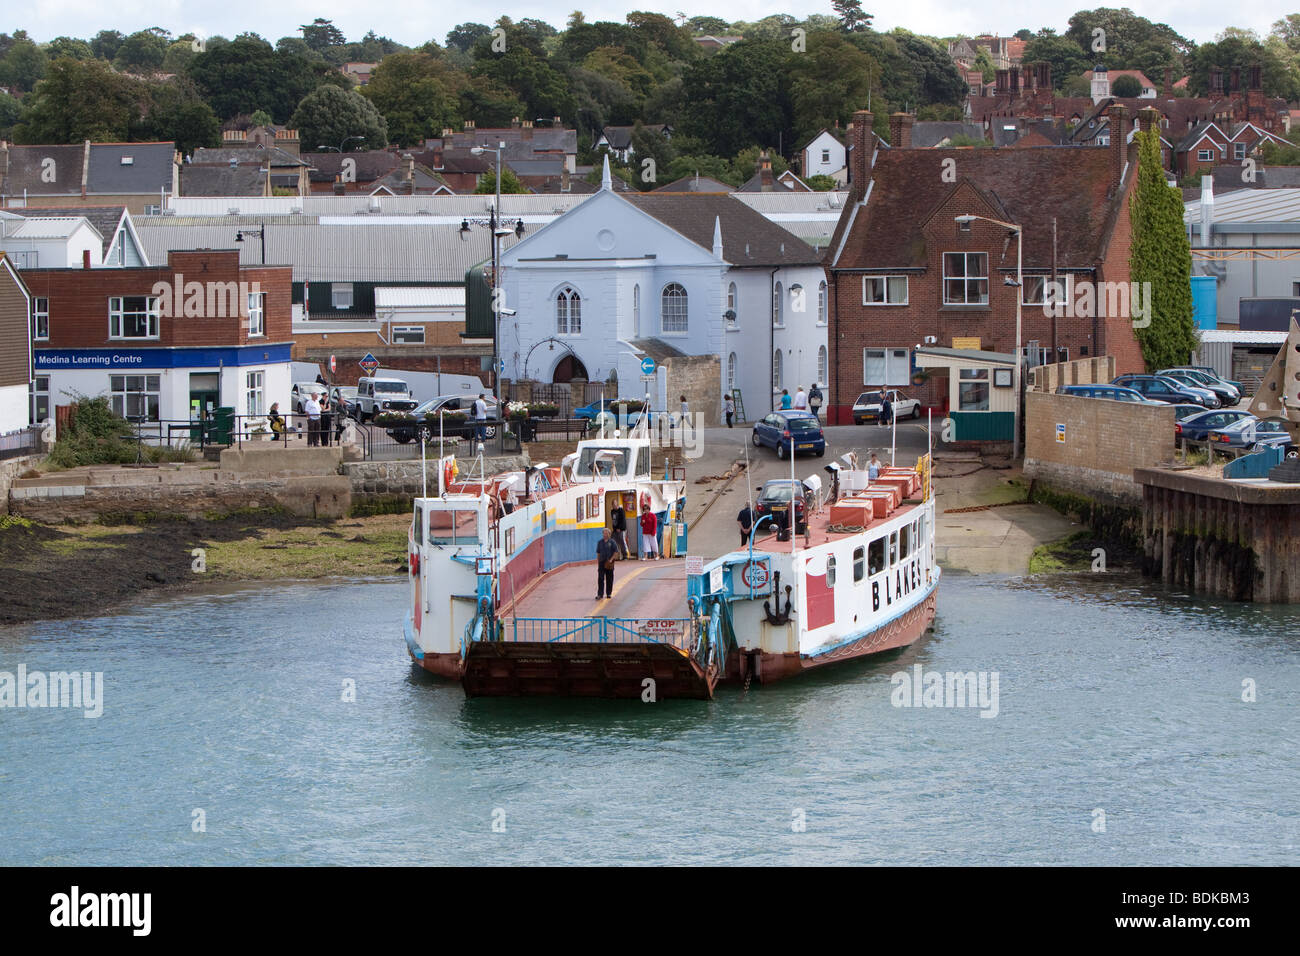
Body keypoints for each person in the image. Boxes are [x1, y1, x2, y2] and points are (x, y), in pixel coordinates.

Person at [596, 527, 619, 600]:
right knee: (600, 578)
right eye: (604, 533)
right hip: (602, 562)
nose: (605, 535)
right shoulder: (600, 542)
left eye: (606, 533)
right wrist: (598, 562)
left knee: (609, 578)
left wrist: (611, 559)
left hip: (609, 562)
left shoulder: (612, 542)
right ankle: (600, 594)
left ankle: (609, 593)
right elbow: (598, 553)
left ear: (609, 534)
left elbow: (616, 552)